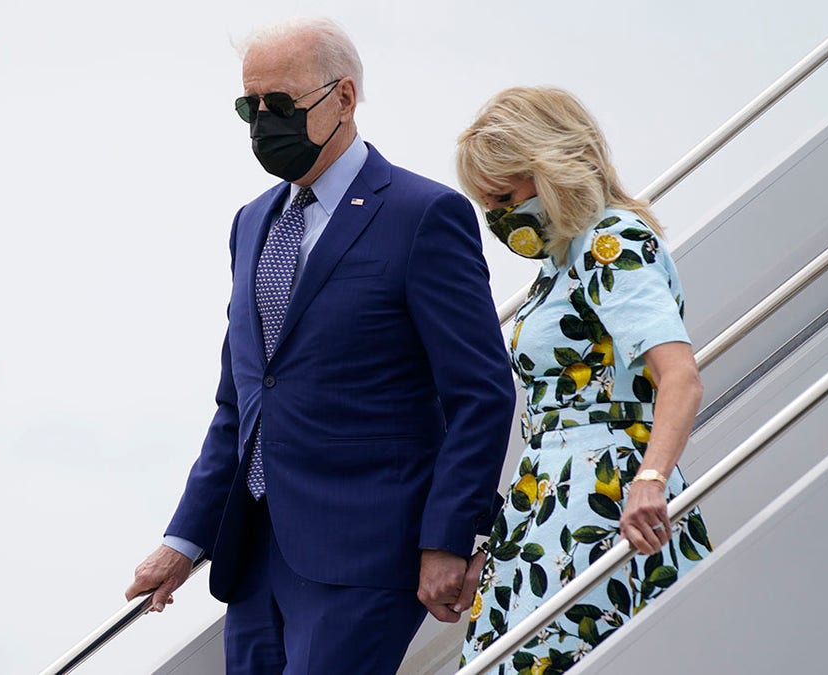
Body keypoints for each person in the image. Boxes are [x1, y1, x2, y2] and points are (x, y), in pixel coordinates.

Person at [124, 18, 517, 674]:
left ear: (344, 99)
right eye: (252, 107)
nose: (263, 124)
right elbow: (241, 403)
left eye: (282, 105)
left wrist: (449, 536)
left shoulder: (423, 216)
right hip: (253, 561)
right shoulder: (252, 223)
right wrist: (183, 538)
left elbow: (481, 393)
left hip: (367, 557)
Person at [455, 87, 715, 673]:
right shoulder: (562, 262)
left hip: (604, 493)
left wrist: (651, 479)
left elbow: (679, 377)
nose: (498, 218)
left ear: (549, 167)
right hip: (549, 500)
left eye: (505, 196)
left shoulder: (611, 241)